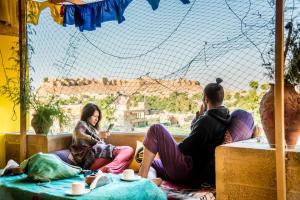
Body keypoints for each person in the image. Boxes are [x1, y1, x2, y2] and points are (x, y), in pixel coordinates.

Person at [138, 78, 231, 186]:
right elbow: (199, 140)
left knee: (156, 129)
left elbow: (184, 149)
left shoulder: (206, 121)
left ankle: (141, 181)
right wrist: (198, 119)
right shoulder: (226, 117)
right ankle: (151, 182)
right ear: (221, 98)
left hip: (188, 171)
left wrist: (170, 147)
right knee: (153, 163)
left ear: (206, 99)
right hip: (197, 173)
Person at [70, 103, 134, 173]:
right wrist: (99, 136)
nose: (97, 119)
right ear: (87, 115)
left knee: (129, 159)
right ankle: (108, 168)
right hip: (90, 160)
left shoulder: (93, 129)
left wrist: (99, 136)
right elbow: (82, 139)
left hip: (98, 159)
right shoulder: (81, 124)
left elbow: (96, 142)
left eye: (98, 117)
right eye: (94, 116)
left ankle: (107, 170)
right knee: (128, 149)